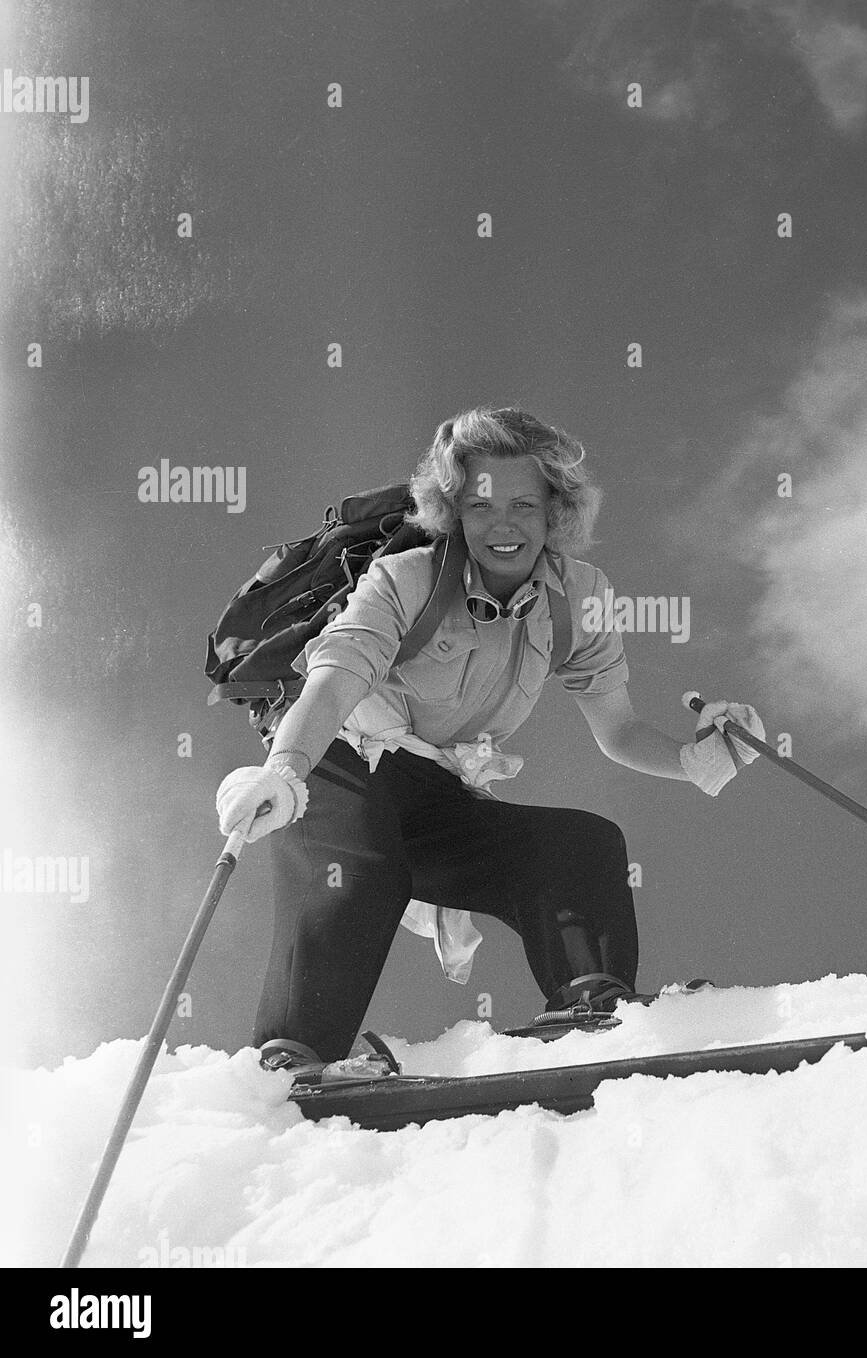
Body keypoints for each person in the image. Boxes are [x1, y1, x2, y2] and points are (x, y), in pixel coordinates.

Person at [215, 406, 765, 1066]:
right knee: (361, 873)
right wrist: (285, 769)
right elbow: (335, 682)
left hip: (434, 792)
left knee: (580, 845)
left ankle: (589, 1006)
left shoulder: (578, 598)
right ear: (453, 513)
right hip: (338, 761)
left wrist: (698, 759)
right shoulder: (407, 579)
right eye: (480, 507)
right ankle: (292, 1059)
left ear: (555, 512)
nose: (502, 526)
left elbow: (618, 730)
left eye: (523, 506)